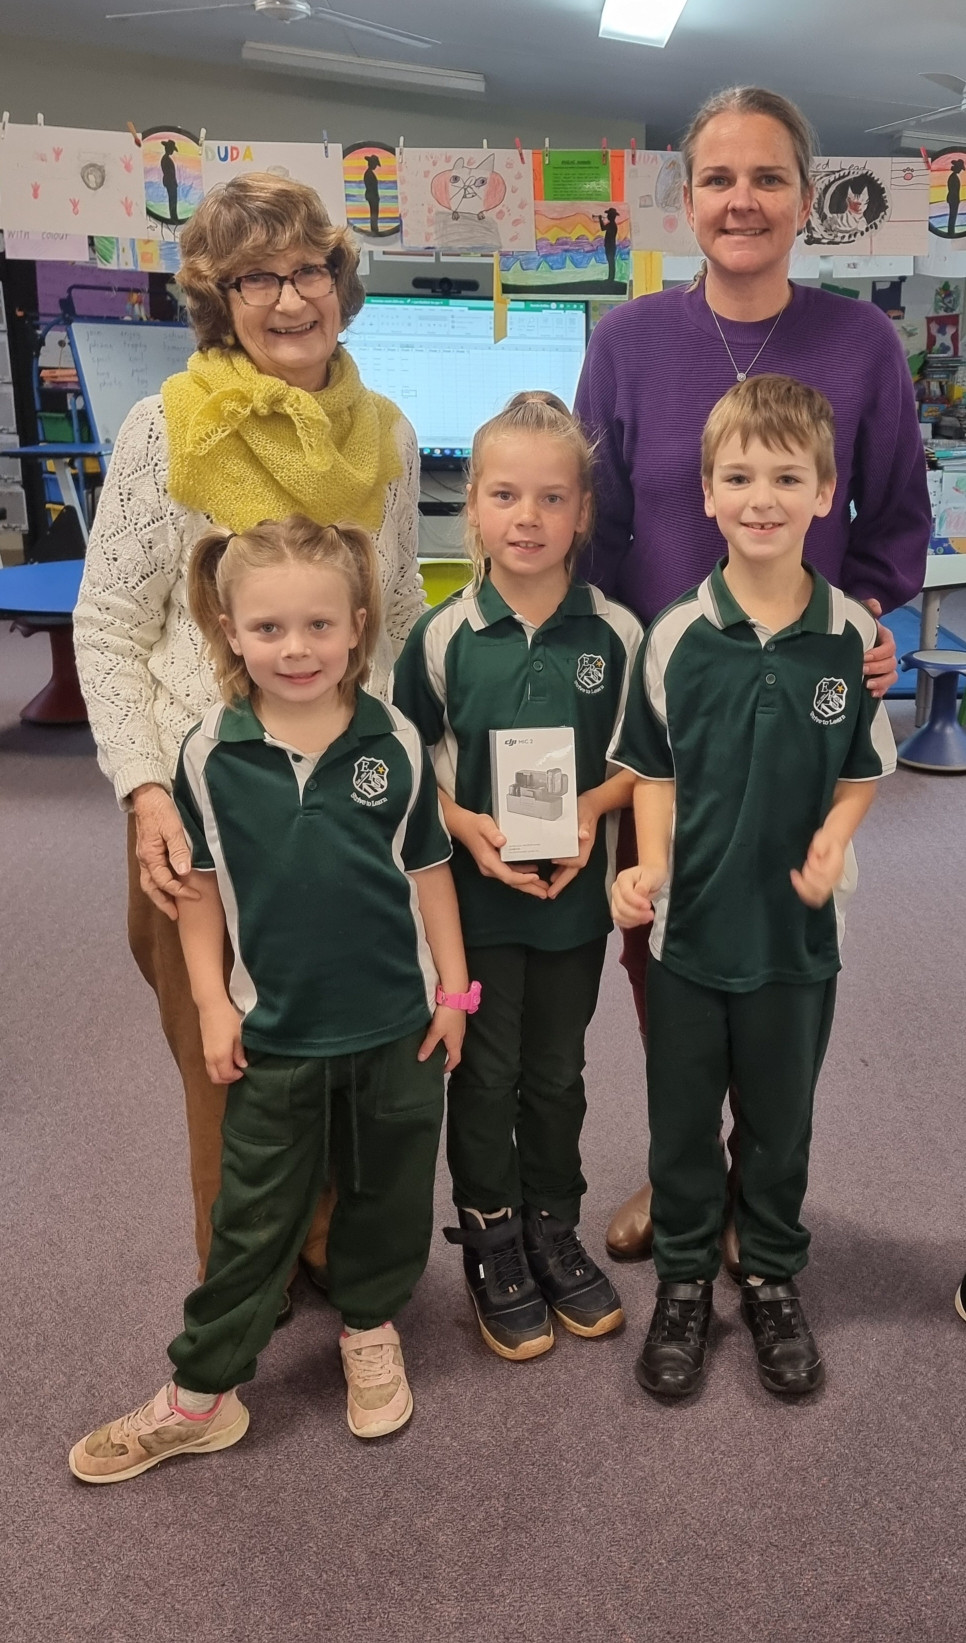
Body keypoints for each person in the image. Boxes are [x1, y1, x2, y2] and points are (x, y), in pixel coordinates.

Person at [574, 85, 930, 1262]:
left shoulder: (864, 345)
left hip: (793, 707)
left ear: (805, 198)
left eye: (768, 177)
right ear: (686, 198)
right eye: (719, 178)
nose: (742, 199)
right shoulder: (626, 344)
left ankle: (747, 1176)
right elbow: (597, 529)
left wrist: (862, 618)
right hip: (663, 704)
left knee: (781, 937)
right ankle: (687, 1174)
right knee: (658, 932)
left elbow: (893, 529)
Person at [74, 174, 426, 1303]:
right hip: (207, 794)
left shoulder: (388, 435)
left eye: (308, 269)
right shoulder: (166, 426)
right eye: (255, 277)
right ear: (219, 299)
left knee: (338, 1029)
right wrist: (143, 790)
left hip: (349, 790)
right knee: (223, 1050)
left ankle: (330, 1239)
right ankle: (244, 1268)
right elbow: (112, 623)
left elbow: (403, 613)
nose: (288, 298)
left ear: (341, 281)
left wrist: (418, 773)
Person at [69, 514, 470, 1482]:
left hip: (397, 1027)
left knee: (387, 1190)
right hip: (277, 1031)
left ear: (359, 626)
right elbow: (198, 888)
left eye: (320, 627)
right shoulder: (208, 753)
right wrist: (211, 999)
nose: (297, 649)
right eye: (271, 628)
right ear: (229, 628)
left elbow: (428, 869)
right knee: (252, 1212)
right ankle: (201, 1392)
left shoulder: (397, 740)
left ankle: (369, 1329)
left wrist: (456, 989)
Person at [610, 375, 896, 1399]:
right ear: (706, 492)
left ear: (827, 492)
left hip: (797, 945)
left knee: (781, 1120)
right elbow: (654, 769)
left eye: (787, 475)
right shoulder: (676, 635)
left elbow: (863, 771)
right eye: (739, 475)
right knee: (681, 1119)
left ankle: (771, 1270)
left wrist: (833, 837)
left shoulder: (853, 642)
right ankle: (685, 1278)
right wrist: (647, 863)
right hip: (690, 937)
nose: (761, 494)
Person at [392, 393, 643, 1360]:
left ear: (584, 512)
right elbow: (411, 771)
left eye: (551, 497)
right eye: (505, 494)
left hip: (575, 903)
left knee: (560, 1071)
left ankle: (553, 1222)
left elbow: (643, 764)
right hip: (478, 906)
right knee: (486, 1073)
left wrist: (590, 812)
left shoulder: (616, 636)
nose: (527, 517)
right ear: (474, 508)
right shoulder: (444, 637)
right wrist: (463, 822)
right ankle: (491, 1231)